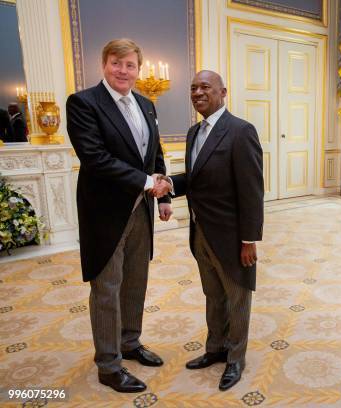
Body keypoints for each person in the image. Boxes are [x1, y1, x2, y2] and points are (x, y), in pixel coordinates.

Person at [66, 38, 172, 393]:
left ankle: (130, 343)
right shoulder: (83, 103)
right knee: (107, 288)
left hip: (141, 209)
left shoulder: (145, 103)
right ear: (104, 64)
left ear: (138, 70)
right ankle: (109, 366)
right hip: (105, 212)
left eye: (130, 65)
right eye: (116, 63)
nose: (123, 71)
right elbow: (95, 158)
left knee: (135, 281)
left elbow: (153, 151)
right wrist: (146, 182)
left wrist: (162, 198)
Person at [152, 70, 264, 391]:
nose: (198, 92)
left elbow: (252, 191)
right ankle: (215, 348)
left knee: (237, 297)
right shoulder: (193, 132)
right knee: (213, 296)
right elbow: (196, 178)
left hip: (232, 237)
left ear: (223, 92)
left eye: (205, 87)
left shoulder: (241, 131)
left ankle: (235, 359)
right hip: (200, 232)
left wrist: (249, 240)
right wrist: (171, 183)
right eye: (193, 88)